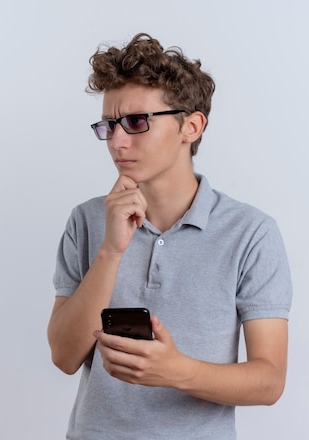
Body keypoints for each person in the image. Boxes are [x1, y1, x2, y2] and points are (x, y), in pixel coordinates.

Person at [47, 33, 292, 440]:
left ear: (191, 126)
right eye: (109, 125)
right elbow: (64, 356)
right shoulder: (88, 220)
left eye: (136, 122)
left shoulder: (251, 233)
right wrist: (111, 250)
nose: (118, 141)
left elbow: (269, 381)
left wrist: (176, 371)